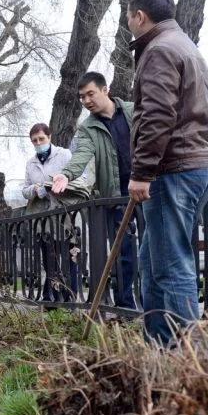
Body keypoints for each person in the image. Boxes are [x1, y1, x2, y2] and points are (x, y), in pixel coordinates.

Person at [124, 0, 208, 345]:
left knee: (172, 267)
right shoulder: (184, 45)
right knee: (154, 263)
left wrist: (142, 172)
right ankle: (159, 349)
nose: (127, 23)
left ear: (139, 16)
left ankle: (190, 362)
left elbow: (159, 115)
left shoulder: (159, 50)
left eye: (128, 17)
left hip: (172, 169)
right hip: (191, 166)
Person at [51, 71, 138, 310]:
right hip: (116, 195)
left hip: (147, 187)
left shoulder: (133, 110)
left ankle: (155, 304)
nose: (86, 100)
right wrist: (66, 174)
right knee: (124, 253)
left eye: (90, 94)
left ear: (105, 90)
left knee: (154, 247)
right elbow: (82, 155)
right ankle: (126, 306)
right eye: (82, 97)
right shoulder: (87, 128)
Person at [21, 123, 89, 302]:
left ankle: (69, 298)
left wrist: (59, 185)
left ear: (49, 137)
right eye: (35, 140)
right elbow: (24, 190)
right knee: (49, 258)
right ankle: (52, 297)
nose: (38, 143)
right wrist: (36, 190)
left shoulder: (64, 154)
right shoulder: (31, 163)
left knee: (68, 257)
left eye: (41, 139)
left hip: (65, 214)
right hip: (44, 218)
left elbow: (81, 179)